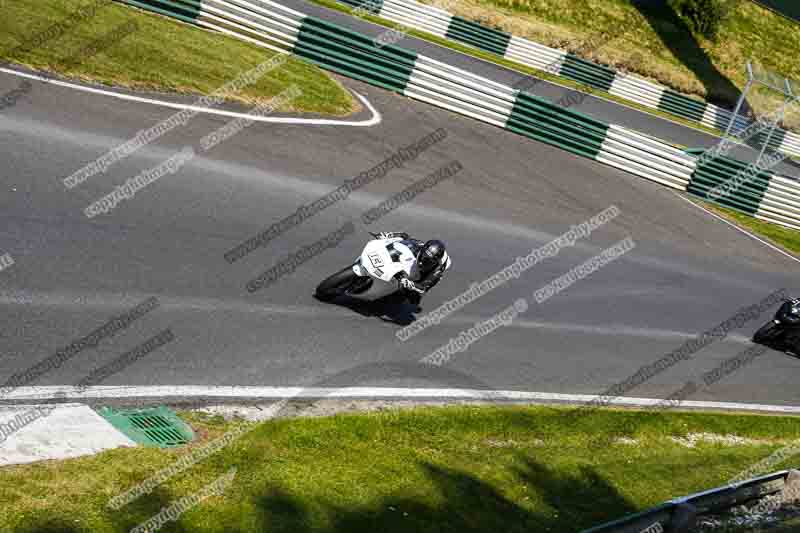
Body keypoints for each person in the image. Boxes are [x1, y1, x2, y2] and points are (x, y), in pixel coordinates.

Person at [375, 232, 451, 305]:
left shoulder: (436, 271)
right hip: (421, 251)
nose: (422, 262)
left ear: (434, 263)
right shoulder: (419, 245)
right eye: (423, 257)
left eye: (428, 261)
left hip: (425, 276)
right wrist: (387, 235)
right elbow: (404, 236)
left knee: (414, 298)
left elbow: (423, 288)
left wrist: (410, 284)